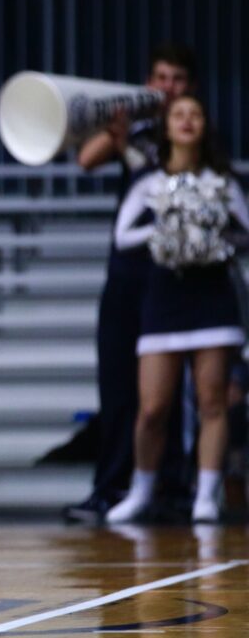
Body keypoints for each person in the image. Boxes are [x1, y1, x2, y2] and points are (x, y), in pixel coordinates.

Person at [63, 44, 198, 523]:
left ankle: (174, 487)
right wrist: (119, 134)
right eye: (160, 77)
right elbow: (85, 160)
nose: (168, 87)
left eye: (177, 78)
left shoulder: (193, 133)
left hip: (175, 276)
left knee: (171, 394)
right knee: (118, 387)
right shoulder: (136, 126)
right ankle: (110, 487)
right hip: (126, 274)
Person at [106, 95, 248, 524]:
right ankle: (142, 490)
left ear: (205, 125)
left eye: (196, 114)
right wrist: (167, 228)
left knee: (212, 401)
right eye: (179, 115)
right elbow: (122, 236)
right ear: (166, 127)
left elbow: (246, 232)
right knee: (152, 409)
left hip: (212, 300)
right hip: (164, 299)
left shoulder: (224, 181)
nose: (187, 122)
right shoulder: (149, 181)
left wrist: (214, 240)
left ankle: (206, 494)